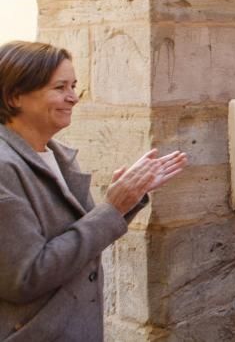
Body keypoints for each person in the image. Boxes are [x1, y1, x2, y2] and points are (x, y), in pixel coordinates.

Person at [0, 41, 188, 341]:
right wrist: (110, 210)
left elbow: (78, 241)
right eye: (60, 87)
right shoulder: (4, 167)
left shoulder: (55, 155)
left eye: (73, 86)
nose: (73, 97)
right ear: (14, 96)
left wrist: (125, 201)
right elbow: (25, 277)